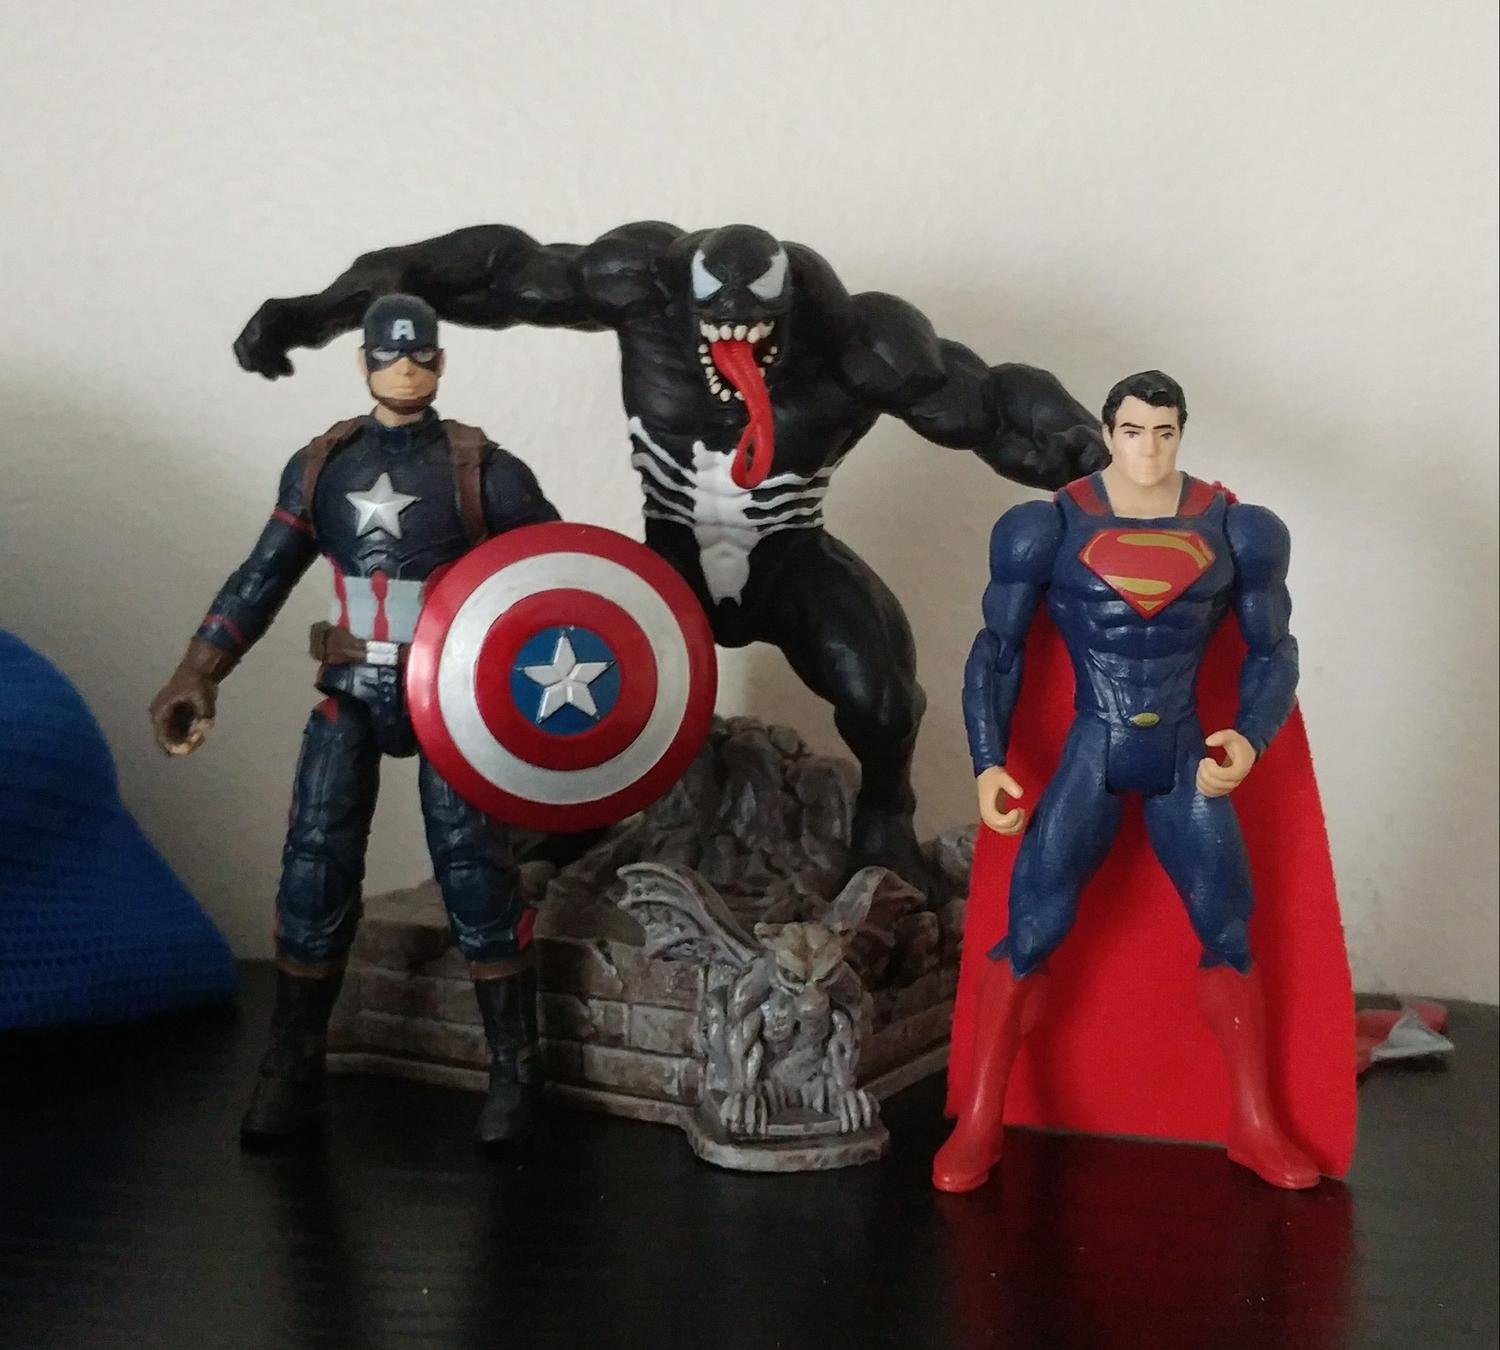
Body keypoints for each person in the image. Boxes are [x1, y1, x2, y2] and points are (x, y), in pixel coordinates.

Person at [231, 221, 1110, 892]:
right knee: (569, 671)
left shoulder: (860, 347)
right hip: (668, 563)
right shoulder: (642, 290)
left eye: (757, 325)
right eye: (716, 320)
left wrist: (1091, 458)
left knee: (881, 697)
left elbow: (990, 405)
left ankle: (887, 819)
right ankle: (584, 814)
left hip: (788, 560)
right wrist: (322, 310)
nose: (735, 338)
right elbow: (497, 271)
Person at [151, 295, 558, 1149]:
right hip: (351, 690)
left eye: (419, 355)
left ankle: (515, 1074)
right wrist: (198, 670)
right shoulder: (323, 467)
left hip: (447, 697)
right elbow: (262, 576)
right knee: (314, 867)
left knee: (475, 872)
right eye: (388, 355)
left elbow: (558, 583)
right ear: (363, 361)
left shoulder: (486, 471)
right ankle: (292, 1067)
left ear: (440, 360)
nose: (404, 369)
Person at [935, 371, 1320, 1193]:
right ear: (1109, 433)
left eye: (1165, 431)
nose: (1149, 448)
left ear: (1183, 433)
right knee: (1031, 927)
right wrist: (987, 760)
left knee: (1228, 927)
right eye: (1135, 431)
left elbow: (1273, 652)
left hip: (1186, 753)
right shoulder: (1045, 528)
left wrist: (1251, 738)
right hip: (1094, 745)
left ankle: (1253, 1123)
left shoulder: (1239, 530)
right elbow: (996, 652)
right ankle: (981, 1117)